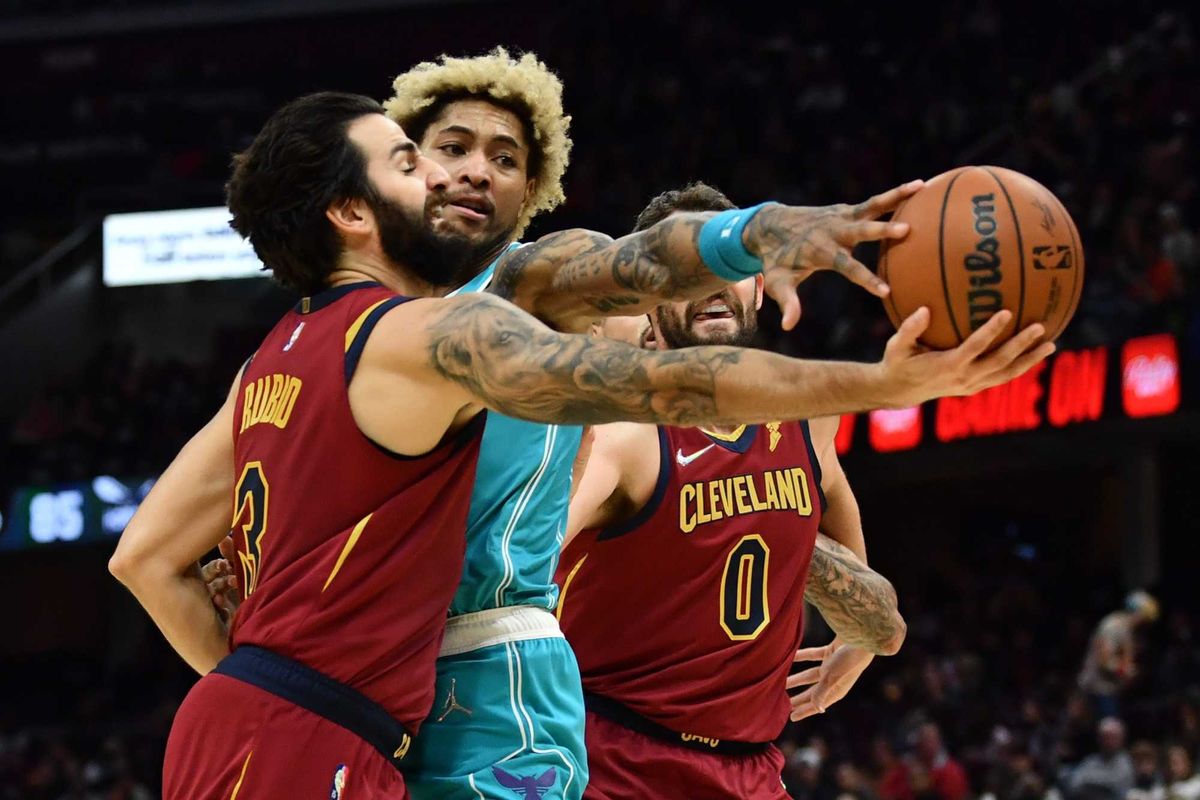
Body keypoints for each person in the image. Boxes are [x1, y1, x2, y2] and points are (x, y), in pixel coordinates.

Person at [183, 60, 1052, 799]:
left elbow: (641, 269)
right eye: (437, 153)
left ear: (535, 189)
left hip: (449, 683)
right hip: (399, 694)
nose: (471, 173)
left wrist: (752, 235)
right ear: (379, 193)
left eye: (506, 157)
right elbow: (670, 383)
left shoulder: (349, 333)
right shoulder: (389, 332)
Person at [554, 182, 907, 799]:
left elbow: (839, 520)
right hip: (614, 761)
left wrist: (859, 637)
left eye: (732, 263)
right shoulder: (625, 434)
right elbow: (510, 567)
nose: (712, 281)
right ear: (648, 298)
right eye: (687, 267)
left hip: (754, 770)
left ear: (761, 286)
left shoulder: (807, 417)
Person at [1078, 590, 1160, 718]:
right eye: (1145, 618)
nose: (1146, 624)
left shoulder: (1129, 630)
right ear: (1137, 613)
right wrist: (1126, 671)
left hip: (1112, 689)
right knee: (1110, 729)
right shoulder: (1112, 627)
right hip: (1099, 689)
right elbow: (1104, 661)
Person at [1067, 717, 1135, 800]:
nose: (1109, 742)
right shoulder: (1090, 761)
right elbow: (1074, 785)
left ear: (1121, 739)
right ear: (1099, 739)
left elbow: (1116, 788)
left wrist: (1090, 783)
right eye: (1106, 737)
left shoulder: (1128, 761)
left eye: (1113, 737)